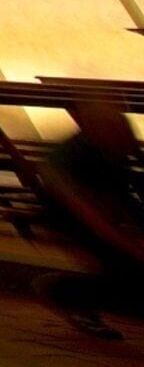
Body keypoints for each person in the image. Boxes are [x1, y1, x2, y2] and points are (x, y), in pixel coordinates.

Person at [31, 85, 144, 338]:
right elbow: (86, 212)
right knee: (130, 276)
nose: (122, 132)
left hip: (115, 213)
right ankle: (63, 290)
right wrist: (130, 243)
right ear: (87, 122)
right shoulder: (63, 163)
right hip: (80, 221)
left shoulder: (115, 139)